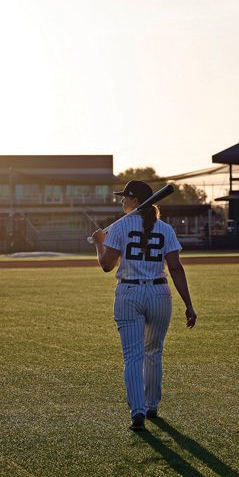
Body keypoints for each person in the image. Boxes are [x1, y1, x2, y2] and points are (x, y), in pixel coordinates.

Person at [91, 180, 197, 431]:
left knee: (132, 357)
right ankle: (151, 406)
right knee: (153, 353)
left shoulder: (120, 227)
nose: (121, 201)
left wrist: (98, 243)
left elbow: (106, 265)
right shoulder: (166, 229)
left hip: (129, 292)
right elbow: (175, 268)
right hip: (160, 293)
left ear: (135, 201)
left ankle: (137, 411)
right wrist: (188, 305)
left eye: (124, 198)